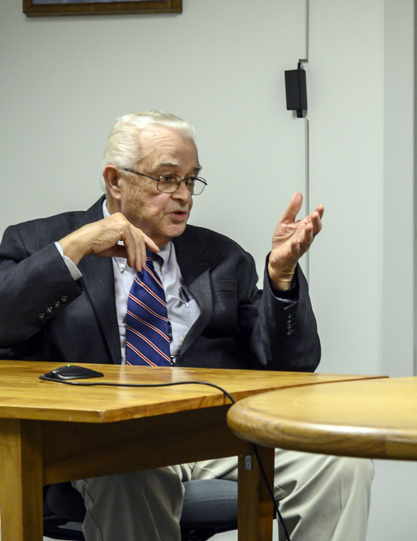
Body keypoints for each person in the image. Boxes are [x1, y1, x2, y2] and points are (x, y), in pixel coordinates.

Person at [0, 110, 373, 541]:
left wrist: (281, 276)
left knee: (338, 460)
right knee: (133, 470)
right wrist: (77, 245)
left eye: (191, 180)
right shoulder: (39, 242)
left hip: (209, 435)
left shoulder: (222, 258)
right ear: (115, 181)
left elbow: (292, 366)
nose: (184, 196)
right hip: (98, 443)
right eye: (166, 179)